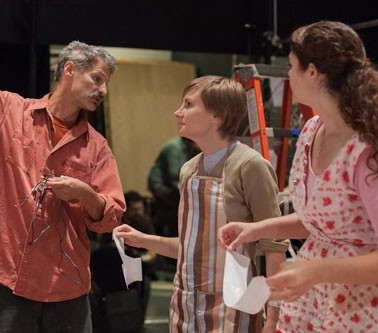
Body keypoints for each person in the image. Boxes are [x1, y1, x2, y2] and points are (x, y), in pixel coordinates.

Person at [0, 11, 126, 332]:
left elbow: (110, 215)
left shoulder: (96, 146)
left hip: (67, 283)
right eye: (97, 78)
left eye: (106, 82)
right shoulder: (10, 112)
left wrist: (84, 193)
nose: (103, 90)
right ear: (69, 69)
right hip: (8, 274)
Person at [218, 21, 378, 332]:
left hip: (367, 307)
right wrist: (257, 229)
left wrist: (318, 271)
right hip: (316, 299)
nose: (289, 75)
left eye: (292, 66)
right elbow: (325, 220)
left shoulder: (369, 150)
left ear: (312, 72)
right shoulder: (311, 131)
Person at [115, 75, 288, 333]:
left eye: (188, 105)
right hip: (187, 306)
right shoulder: (189, 169)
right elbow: (190, 249)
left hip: (236, 305)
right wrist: (144, 240)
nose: (178, 112)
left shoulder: (250, 166)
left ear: (218, 115)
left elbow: (275, 246)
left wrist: (273, 318)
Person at [148, 136, 199, 238]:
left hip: (171, 183)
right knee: (184, 202)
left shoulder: (187, 147)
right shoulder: (174, 147)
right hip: (160, 184)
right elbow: (174, 173)